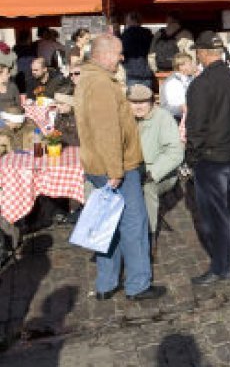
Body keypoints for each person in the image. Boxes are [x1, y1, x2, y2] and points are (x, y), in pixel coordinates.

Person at [74, 34, 165, 301]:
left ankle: (106, 283)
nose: (122, 58)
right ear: (103, 54)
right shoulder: (101, 83)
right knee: (133, 225)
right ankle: (138, 285)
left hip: (100, 165)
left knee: (107, 224)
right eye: (118, 53)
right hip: (116, 167)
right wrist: (115, 170)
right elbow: (108, 132)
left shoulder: (88, 79)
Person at [185, 31, 230, 284]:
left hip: (213, 159)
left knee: (217, 216)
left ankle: (222, 266)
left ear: (203, 53)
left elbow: (196, 127)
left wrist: (191, 158)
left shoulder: (201, 84)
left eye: (198, 53)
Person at [127, 84, 184, 259]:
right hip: (131, 170)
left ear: (152, 102)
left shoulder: (163, 118)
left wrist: (153, 173)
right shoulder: (124, 118)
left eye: (143, 102)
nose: (138, 106)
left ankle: (149, 236)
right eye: (133, 102)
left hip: (161, 173)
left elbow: (175, 152)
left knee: (147, 189)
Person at [120, 12, 154, 88]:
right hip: (147, 71)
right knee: (147, 97)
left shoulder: (126, 35)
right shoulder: (148, 33)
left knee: (132, 98)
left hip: (131, 73)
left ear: (130, 20)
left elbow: (122, 53)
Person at [160, 52, 195, 122]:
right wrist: (180, 109)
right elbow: (165, 107)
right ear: (182, 66)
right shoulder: (171, 83)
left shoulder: (192, 79)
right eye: (190, 64)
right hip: (177, 121)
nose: (193, 66)